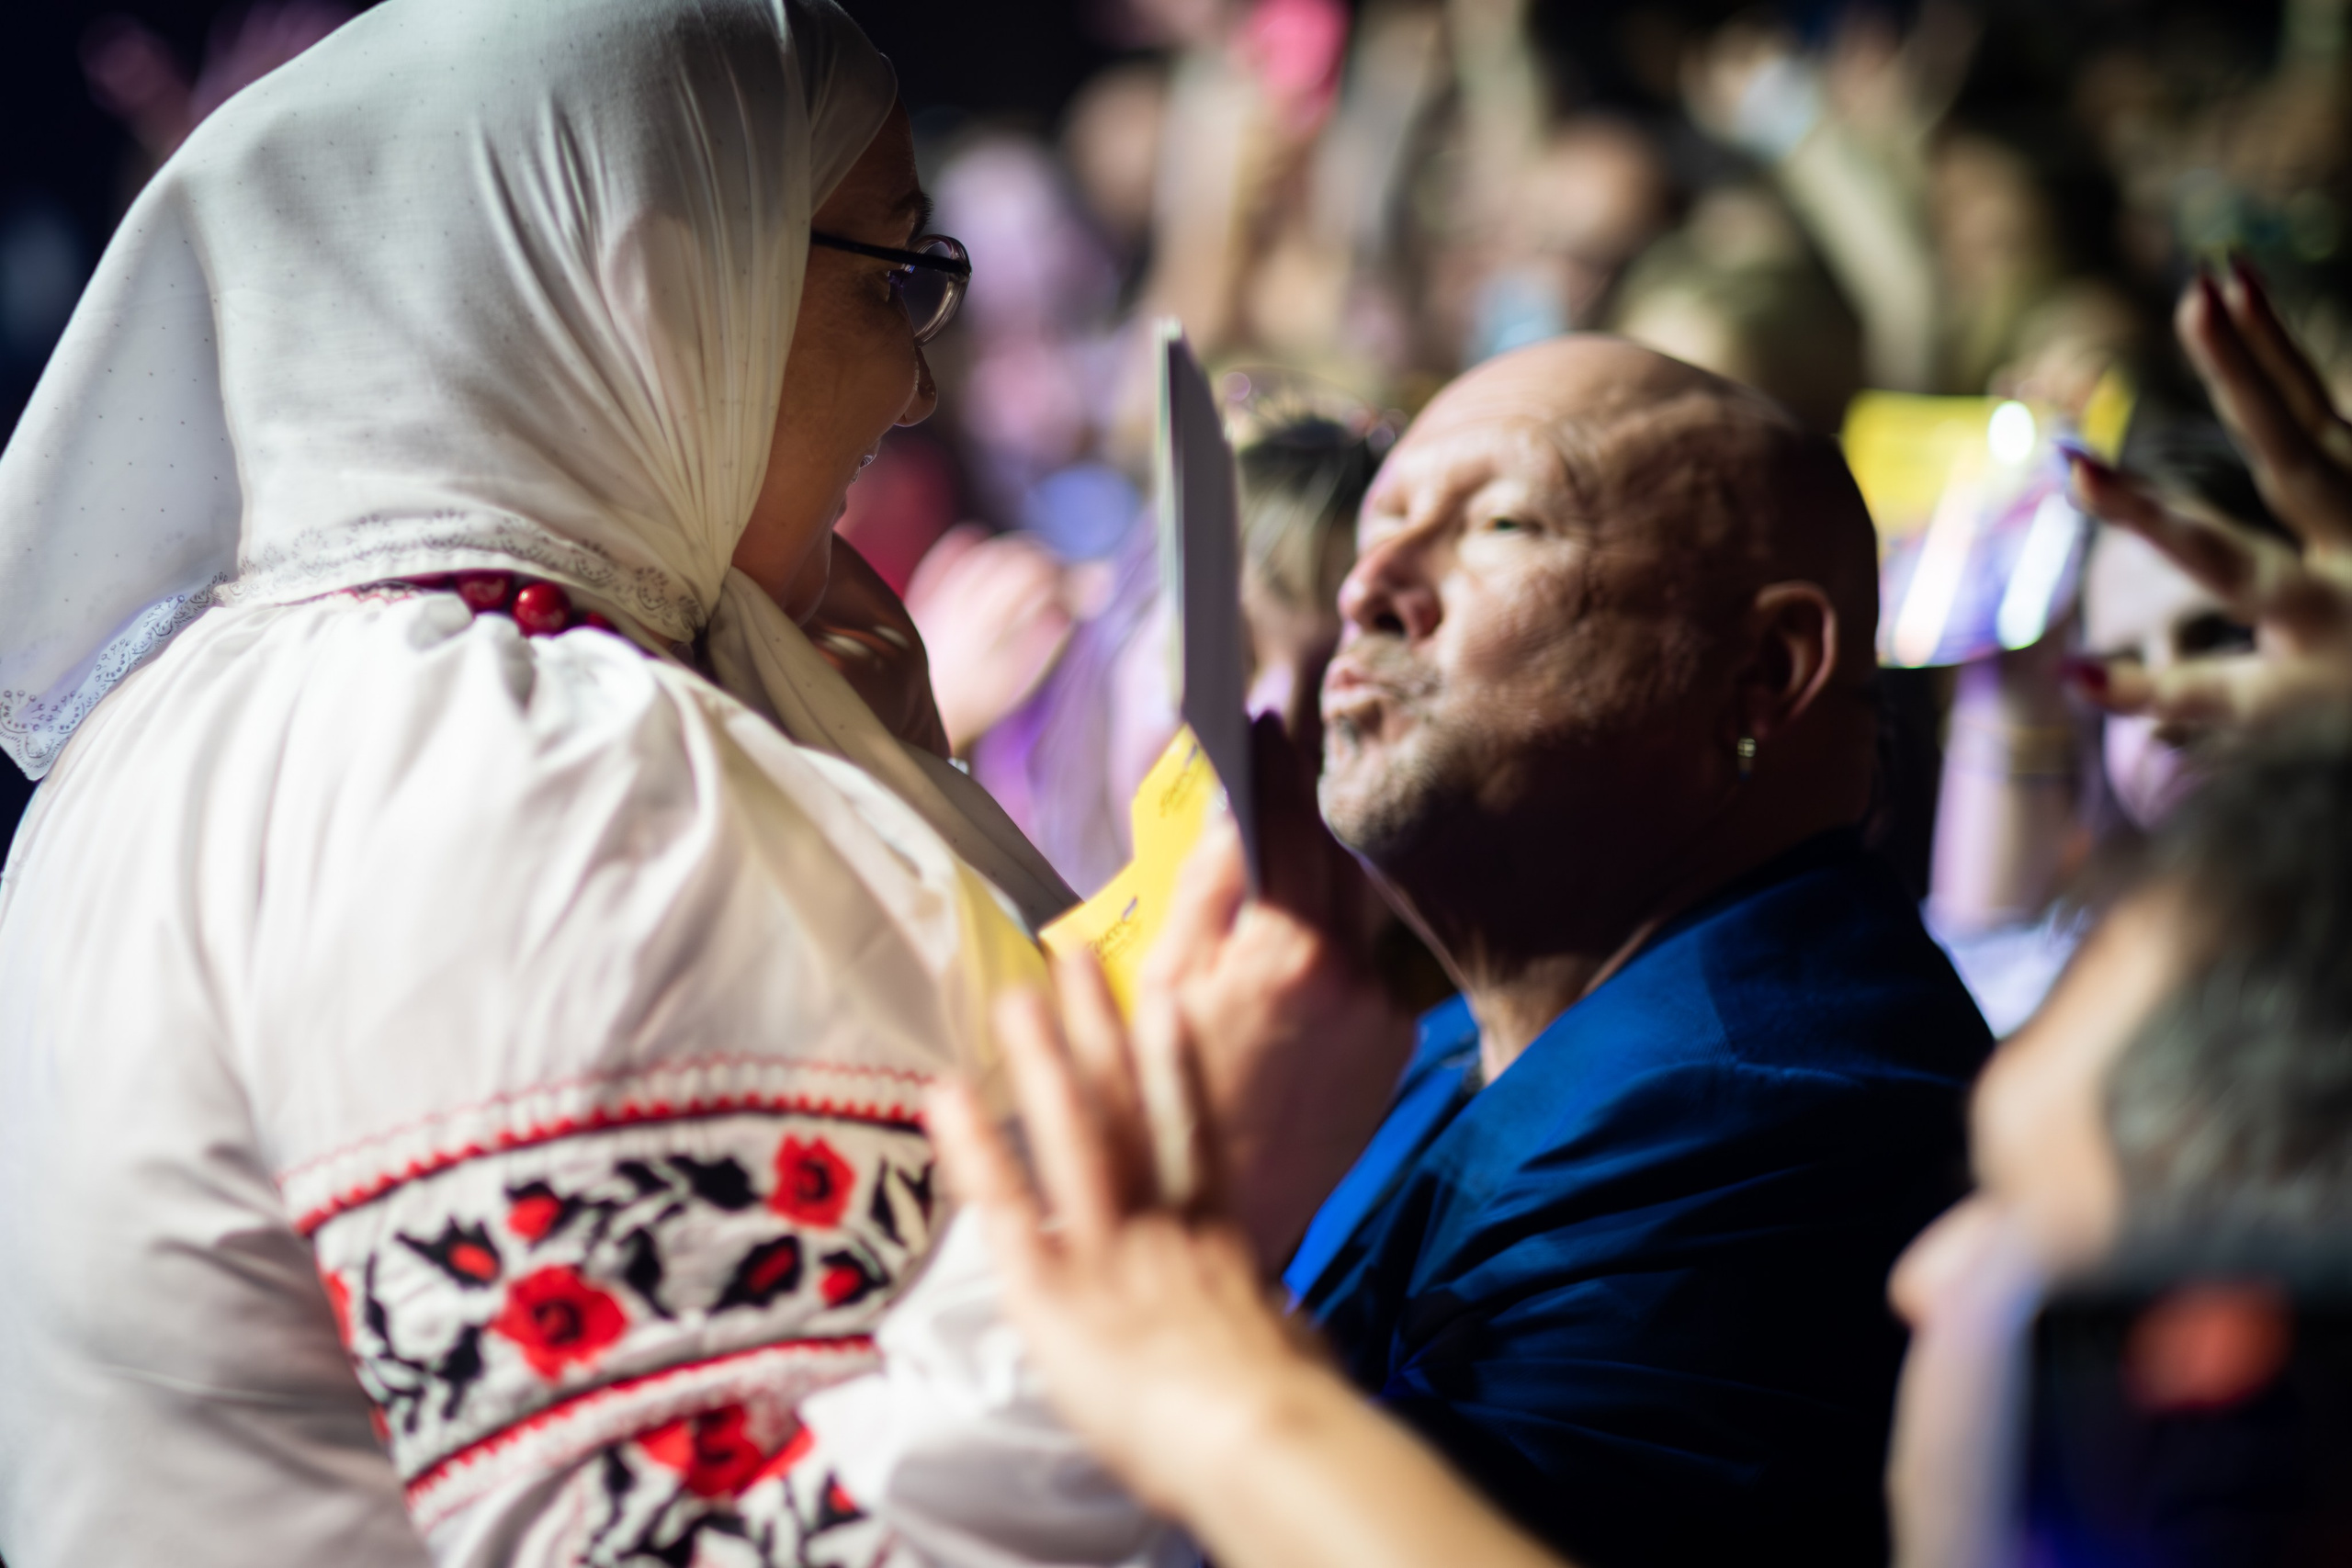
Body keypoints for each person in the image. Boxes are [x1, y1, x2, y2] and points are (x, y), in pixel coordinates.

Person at [0, 1, 1077, 1564]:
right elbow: (690, 1536)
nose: (918, 387)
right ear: (662, 264)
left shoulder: (228, 704)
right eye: (898, 274)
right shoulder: (509, 755)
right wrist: (1203, 1170)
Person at [810, 334, 1994, 1568]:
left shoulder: (1771, 1122)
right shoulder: (1448, 1029)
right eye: (1383, 529)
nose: (1370, 588)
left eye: (1505, 527)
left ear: (1765, 672)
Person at [924, 709, 2352, 1568]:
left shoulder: (1753, 1081)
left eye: (2019, 1210)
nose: (1922, 1277)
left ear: (2219, 1365)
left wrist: (1225, 1391)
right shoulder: (1463, 1036)